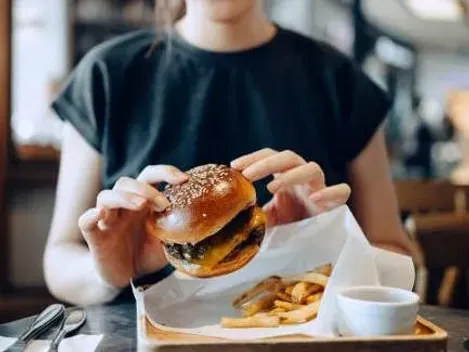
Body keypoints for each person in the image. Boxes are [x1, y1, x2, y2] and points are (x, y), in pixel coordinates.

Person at [43, 0, 414, 306]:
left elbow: (403, 261)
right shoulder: (105, 77)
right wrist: (106, 271)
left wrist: (335, 240)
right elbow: (59, 258)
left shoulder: (340, 82)